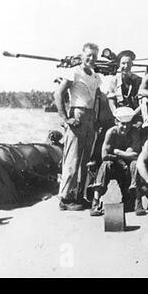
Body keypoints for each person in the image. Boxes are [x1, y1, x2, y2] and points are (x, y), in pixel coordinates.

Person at [55, 42, 102, 211]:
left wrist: (96, 119)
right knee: (72, 158)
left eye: (94, 56)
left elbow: (96, 99)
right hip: (77, 115)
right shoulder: (74, 72)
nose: (91, 58)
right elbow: (59, 94)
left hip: (90, 117)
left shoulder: (96, 76)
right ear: (82, 55)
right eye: (88, 55)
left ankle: (78, 196)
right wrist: (65, 118)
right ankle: (65, 198)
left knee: (84, 160)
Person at [89, 107, 145, 216]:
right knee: (106, 165)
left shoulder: (134, 132)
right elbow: (104, 156)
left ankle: (138, 201)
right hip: (115, 165)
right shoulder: (111, 133)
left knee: (135, 164)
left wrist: (118, 152)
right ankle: (95, 202)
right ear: (116, 122)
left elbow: (135, 155)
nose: (125, 127)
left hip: (128, 166)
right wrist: (121, 159)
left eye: (128, 123)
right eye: (122, 123)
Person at [106, 50, 143, 125]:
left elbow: (142, 102)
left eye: (128, 63)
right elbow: (111, 100)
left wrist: (134, 113)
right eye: (123, 63)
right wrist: (115, 113)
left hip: (135, 115)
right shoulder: (114, 81)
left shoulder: (139, 80)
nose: (126, 66)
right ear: (119, 65)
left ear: (132, 64)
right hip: (119, 115)